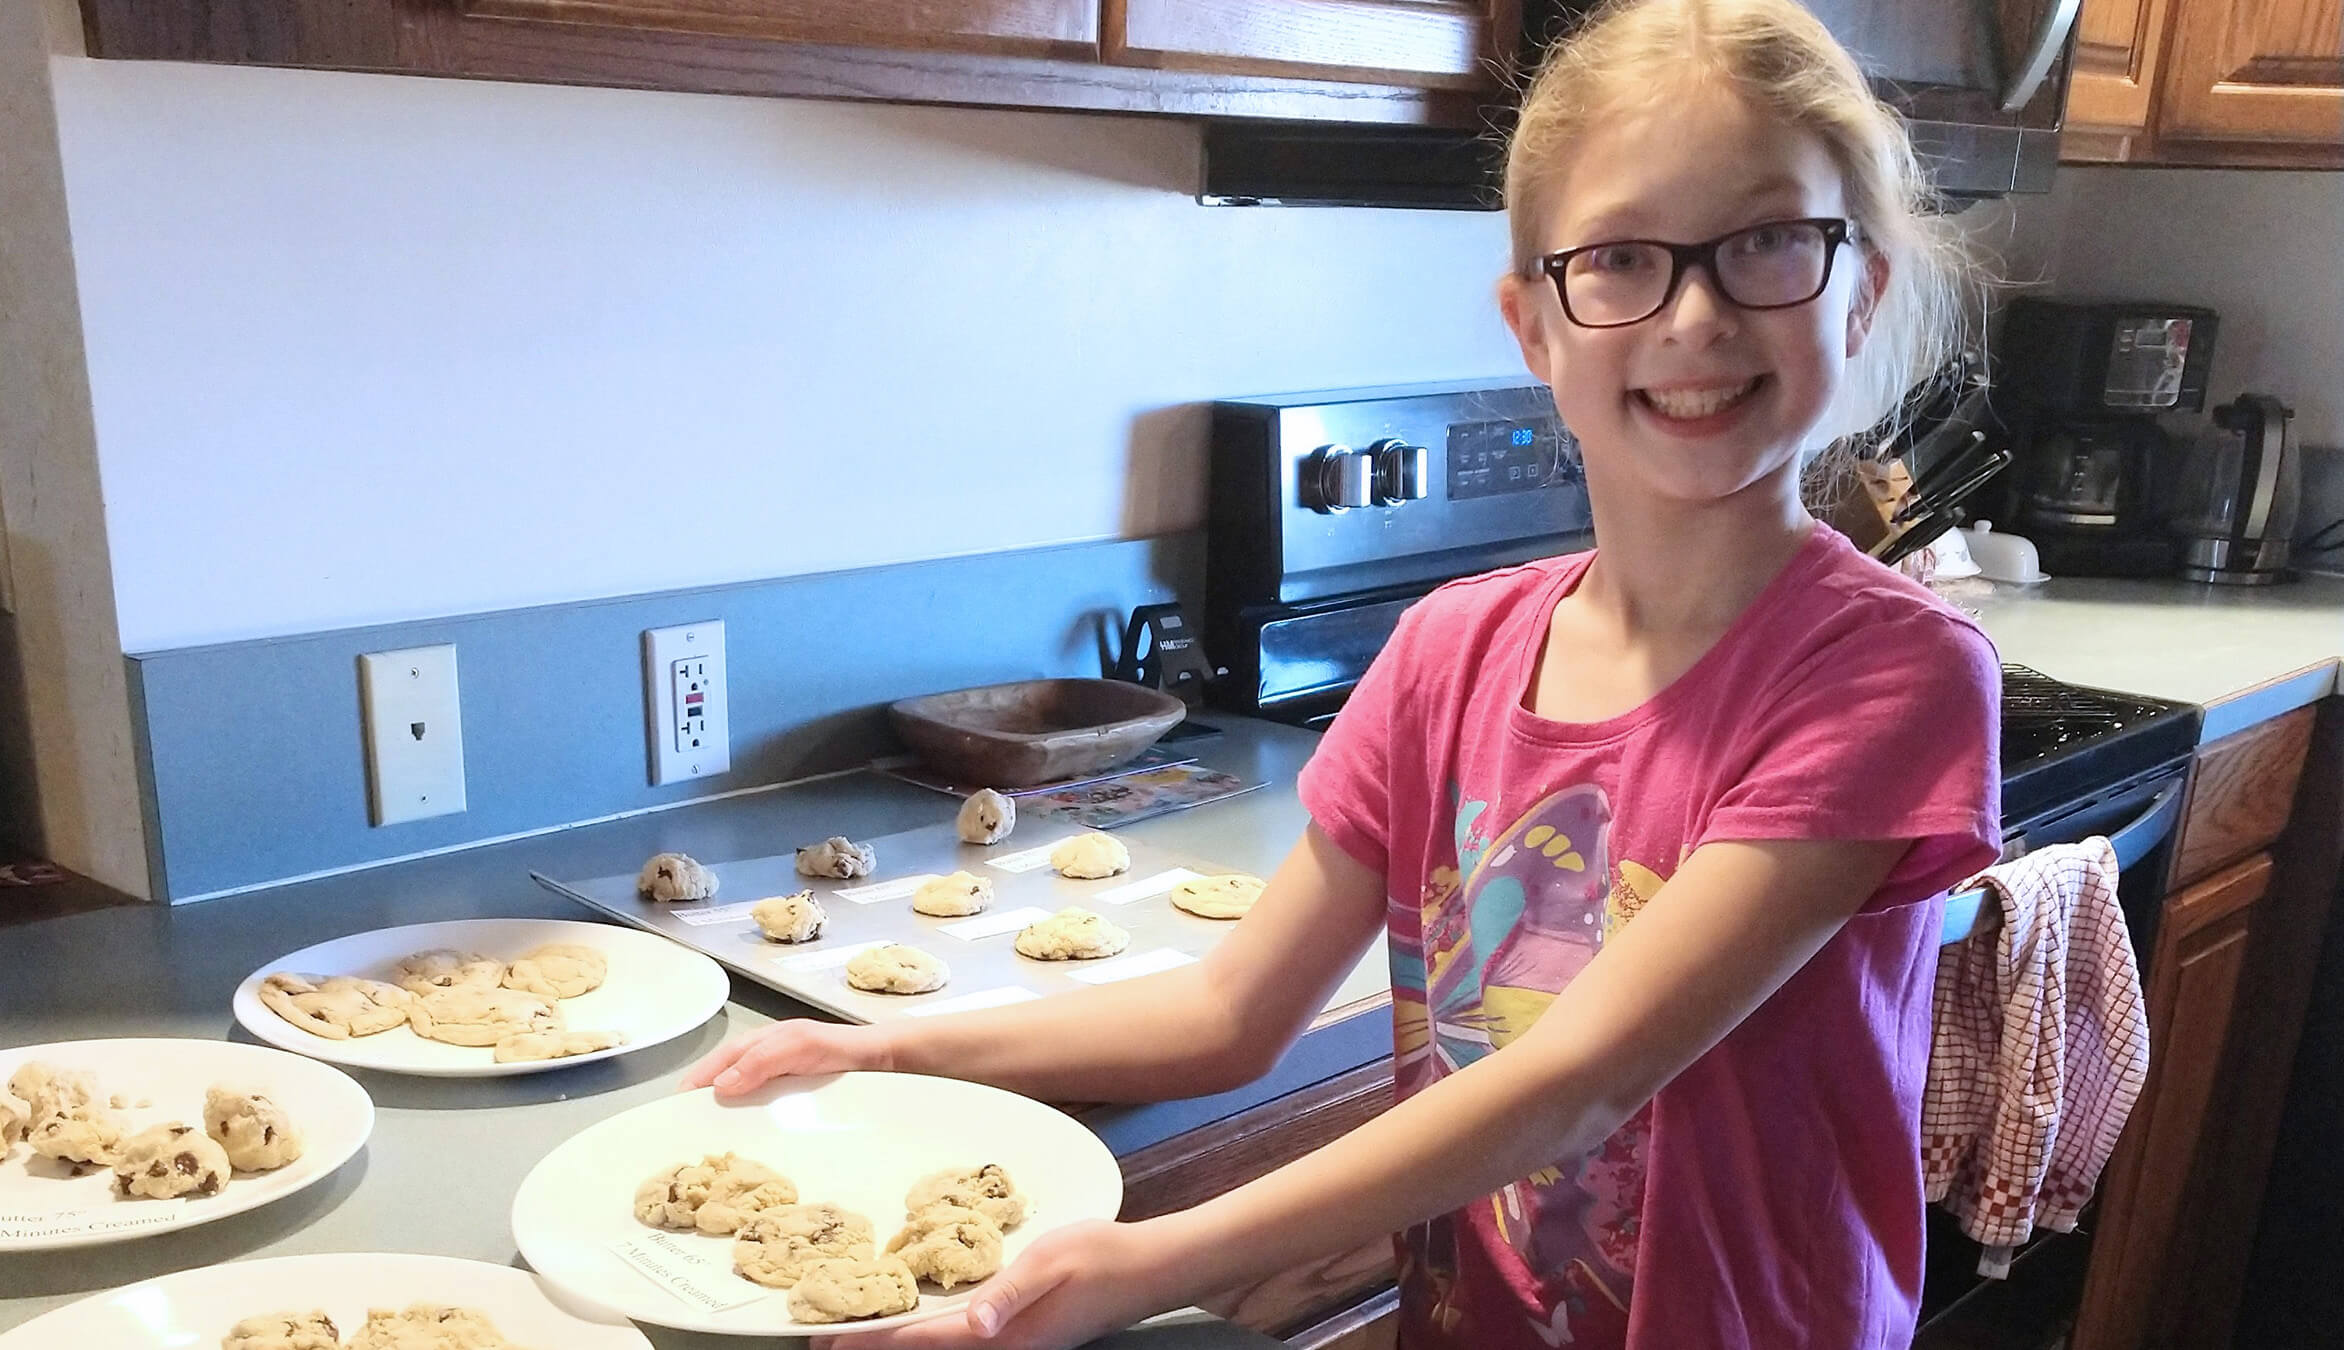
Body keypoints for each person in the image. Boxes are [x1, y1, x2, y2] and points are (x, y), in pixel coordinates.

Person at [684, 1, 2002, 1344]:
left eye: (1771, 241)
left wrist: (1146, 1262)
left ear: (1865, 285)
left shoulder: (1887, 672)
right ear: (1533, 325)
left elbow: (1578, 1080)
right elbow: (1226, 1010)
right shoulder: (1451, 655)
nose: (1699, 314)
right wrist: (889, 1044)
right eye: (1619, 258)